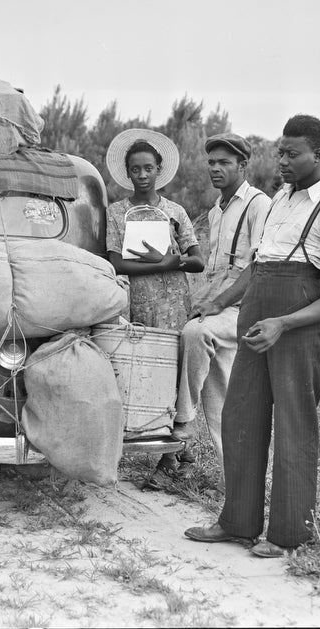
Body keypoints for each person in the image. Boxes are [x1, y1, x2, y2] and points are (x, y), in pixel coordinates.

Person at [185, 115, 320, 557]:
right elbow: (258, 266)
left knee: (293, 425)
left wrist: (284, 323)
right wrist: (222, 302)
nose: (281, 161)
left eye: (292, 153)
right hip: (256, 321)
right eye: (279, 151)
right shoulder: (280, 200)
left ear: (317, 155)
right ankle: (238, 522)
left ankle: (288, 535)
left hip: (297, 329)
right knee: (240, 418)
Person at [104, 129, 205, 487]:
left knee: (174, 370)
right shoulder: (116, 212)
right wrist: (162, 264)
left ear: (159, 169)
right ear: (127, 173)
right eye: (135, 169)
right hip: (135, 301)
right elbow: (115, 262)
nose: (142, 175)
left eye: (148, 168)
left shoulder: (174, 211)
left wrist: (173, 261)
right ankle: (152, 440)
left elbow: (197, 261)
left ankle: (172, 454)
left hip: (173, 301)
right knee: (140, 367)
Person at [179, 133, 270, 484]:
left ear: (243, 166)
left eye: (224, 163)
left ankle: (183, 421)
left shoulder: (259, 205)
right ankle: (238, 484)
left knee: (195, 333)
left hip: (243, 306)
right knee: (221, 398)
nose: (215, 169)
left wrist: (217, 303)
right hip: (219, 299)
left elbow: (257, 267)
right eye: (211, 163)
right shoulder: (218, 208)